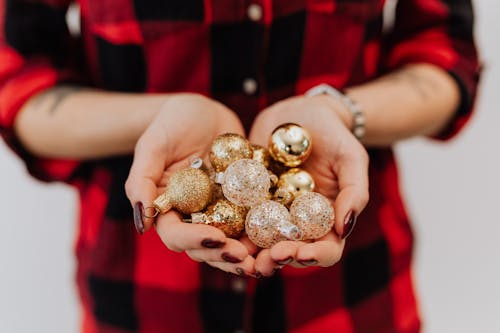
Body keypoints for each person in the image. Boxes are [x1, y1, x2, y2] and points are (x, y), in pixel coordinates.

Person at [0, 0, 479, 332]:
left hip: (354, 296)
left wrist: (338, 112)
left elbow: (445, 56)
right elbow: (19, 85)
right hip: (142, 299)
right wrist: (157, 121)